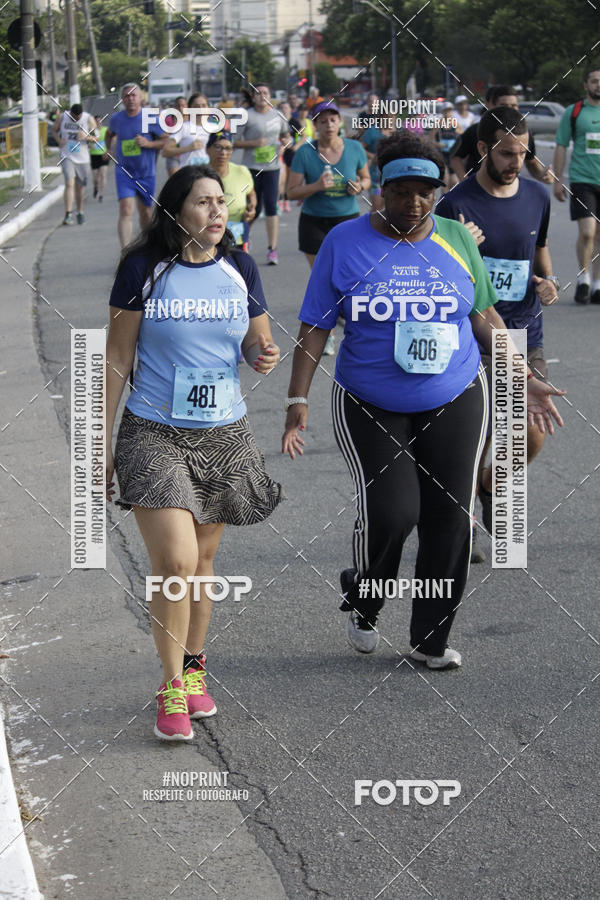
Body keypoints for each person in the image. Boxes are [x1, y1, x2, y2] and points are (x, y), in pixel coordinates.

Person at [281, 132, 564, 668]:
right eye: (402, 191)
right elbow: (316, 325)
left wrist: (521, 375)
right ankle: (365, 599)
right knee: (394, 514)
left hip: (453, 392)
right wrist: (299, 397)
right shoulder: (344, 241)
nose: (414, 203)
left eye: (426, 192)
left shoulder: (456, 237)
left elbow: (484, 316)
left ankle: (430, 639)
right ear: (380, 189)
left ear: (440, 190)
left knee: (450, 517)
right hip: (370, 399)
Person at [105, 164, 282, 741]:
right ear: (177, 210)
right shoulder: (143, 270)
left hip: (224, 434)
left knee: (203, 565)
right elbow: (116, 361)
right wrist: (98, 445)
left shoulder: (241, 267)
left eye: (220, 202)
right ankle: (171, 685)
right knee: (176, 563)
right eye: (203, 202)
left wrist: (263, 353)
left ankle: (194, 667)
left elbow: (257, 337)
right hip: (154, 432)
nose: (216, 211)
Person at [437, 106, 559, 544]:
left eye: (523, 154)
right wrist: (462, 247)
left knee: (528, 434)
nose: (516, 164)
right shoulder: (456, 203)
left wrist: (549, 281)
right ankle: (463, 519)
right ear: (485, 149)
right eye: (507, 154)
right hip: (476, 332)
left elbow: (539, 251)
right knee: (479, 431)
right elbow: (439, 273)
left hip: (527, 328)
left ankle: (489, 484)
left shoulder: (538, 197)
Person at [286, 100, 370, 355]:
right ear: (316, 125)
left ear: (340, 122)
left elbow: (366, 178)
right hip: (314, 222)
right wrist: (316, 187)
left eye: (333, 119)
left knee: (351, 279)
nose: (329, 124)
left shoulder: (355, 148)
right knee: (324, 281)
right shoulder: (304, 152)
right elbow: (290, 192)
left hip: (347, 221)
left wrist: (360, 186)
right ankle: (329, 334)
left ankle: (357, 330)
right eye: (323, 120)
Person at [553, 67, 600, 304]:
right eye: (594, 81)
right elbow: (561, 145)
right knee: (588, 232)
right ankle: (584, 279)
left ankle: (598, 284)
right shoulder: (574, 112)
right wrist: (559, 179)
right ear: (586, 85)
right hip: (583, 180)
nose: (598, 85)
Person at [233, 84, 291, 265]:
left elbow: (286, 136)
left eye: (265, 92)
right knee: (252, 208)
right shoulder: (246, 115)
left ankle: (272, 249)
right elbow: (234, 142)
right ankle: (242, 242)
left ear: (270, 95)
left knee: (271, 207)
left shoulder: (278, 115)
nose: (262, 96)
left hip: (272, 168)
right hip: (251, 168)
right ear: (253, 96)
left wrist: (285, 144)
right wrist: (254, 142)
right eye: (258, 93)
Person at [106, 83, 169, 248]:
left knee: (146, 212)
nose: (131, 99)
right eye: (127, 96)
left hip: (146, 172)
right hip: (124, 172)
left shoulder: (150, 118)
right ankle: (125, 251)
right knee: (126, 209)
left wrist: (148, 144)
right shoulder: (116, 119)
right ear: (122, 99)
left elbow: (165, 140)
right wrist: (109, 149)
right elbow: (109, 133)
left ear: (141, 98)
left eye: (134, 95)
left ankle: (148, 247)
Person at [451, 85, 554, 184]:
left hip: (508, 192)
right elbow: (455, 157)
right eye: (504, 106)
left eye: (513, 106)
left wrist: (543, 175)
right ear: (490, 105)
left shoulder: (523, 134)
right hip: (477, 192)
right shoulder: (475, 131)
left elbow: (531, 162)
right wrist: (465, 181)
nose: (509, 109)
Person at [206, 130, 256, 250]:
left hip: (237, 233)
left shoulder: (242, 172)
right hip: (207, 235)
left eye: (228, 148)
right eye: (218, 147)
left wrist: (252, 208)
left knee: (238, 267)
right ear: (207, 149)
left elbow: (251, 194)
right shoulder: (199, 174)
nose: (223, 152)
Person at [53, 103, 97, 225]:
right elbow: (54, 130)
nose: (75, 120)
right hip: (67, 155)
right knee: (69, 183)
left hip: (82, 158)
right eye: (73, 117)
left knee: (80, 188)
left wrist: (86, 137)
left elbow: (97, 137)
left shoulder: (88, 118)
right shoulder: (62, 117)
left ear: (81, 114)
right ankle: (68, 214)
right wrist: (59, 140)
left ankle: (80, 211)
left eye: (77, 118)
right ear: (70, 113)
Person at [161, 92, 211, 174]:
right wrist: (188, 148)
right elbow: (165, 152)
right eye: (196, 106)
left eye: (204, 105)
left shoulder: (215, 129)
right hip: (188, 176)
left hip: (209, 176)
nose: (200, 109)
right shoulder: (183, 127)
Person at [429, 100, 458, 192]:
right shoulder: (438, 124)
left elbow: (463, 138)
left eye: (449, 110)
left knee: (455, 182)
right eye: (445, 110)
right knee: (445, 180)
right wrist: (437, 144)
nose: (447, 112)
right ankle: (444, 201)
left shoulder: (456, 124)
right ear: (442, 112)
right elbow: (431, 140)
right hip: (442, 154)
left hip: (453, 154)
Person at [163, 96, 188, 177]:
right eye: (178, 106)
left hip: (188, 155)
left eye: (183, 105)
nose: (180, 108)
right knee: (175, 181)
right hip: (173, 155)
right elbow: (163, 135)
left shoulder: (192, 120)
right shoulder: (168, 120)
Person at [89, 112, 109, 203]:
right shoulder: (92, 131)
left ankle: (101, 195)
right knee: (95, 177)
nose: (98, 123)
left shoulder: (106, 130)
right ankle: (95, 187)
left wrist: (109, 150)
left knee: (103, 175)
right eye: (96, 122)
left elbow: (111, 140)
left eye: (100, 121)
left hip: (104, 155)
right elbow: (87, 141)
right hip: (94, 155)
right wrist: (90, 144)